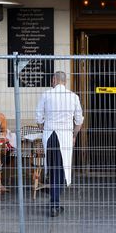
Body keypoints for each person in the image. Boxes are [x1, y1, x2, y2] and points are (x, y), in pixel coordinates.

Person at [35, 71, 84, 218]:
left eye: (52, 80)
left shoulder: (46, 95)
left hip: (50, 136)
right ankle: (55, 203)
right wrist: (74, 135)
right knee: (62, 169)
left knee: (53, 169)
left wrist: (44, 128)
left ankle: (54, 203)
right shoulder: (73, 96)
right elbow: (79, 120)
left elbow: (38, 116)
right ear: (65, 81)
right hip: (65, 136)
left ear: (54, 80)